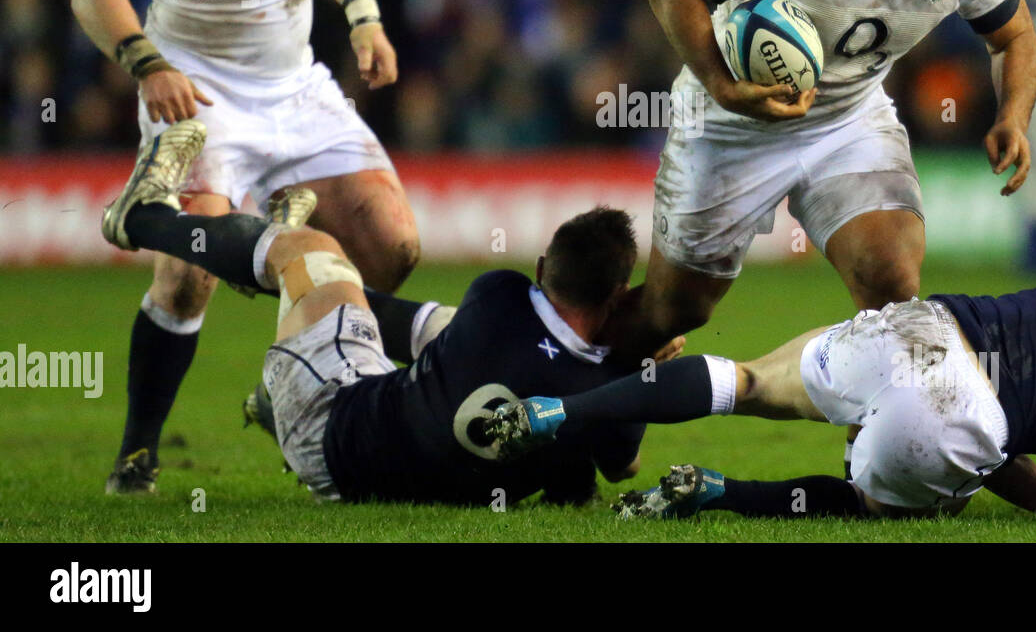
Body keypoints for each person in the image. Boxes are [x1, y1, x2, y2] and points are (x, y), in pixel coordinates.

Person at [71, 0, 420, 493]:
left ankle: (284, 383)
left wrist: (362, 14)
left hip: (295, 84)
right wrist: (146, 61)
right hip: (202, 98)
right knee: (187, 272)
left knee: (390, 247)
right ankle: (137, 452)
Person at [630, 0, 1036, 359]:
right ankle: (572, 356)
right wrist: (724, 85)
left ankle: (871, 443)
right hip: (730, 121)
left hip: (847, 120)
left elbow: (1014, 35)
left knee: (892, 279)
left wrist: (1013, 116)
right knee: (676, 311)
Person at [100, 120, 661, 506]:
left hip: (329, 418)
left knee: (314, 258)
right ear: (617, 295)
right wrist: (631, 358)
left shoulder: (501, 296)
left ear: (543, 268)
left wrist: (311, 279)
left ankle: (143, 217)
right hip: (371, 463)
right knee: (399, 315)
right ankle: (270, 260)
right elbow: (621, 466)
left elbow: (399, 323)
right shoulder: (608, 389)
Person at [487, 279, 1036, 522]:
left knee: (749, 380)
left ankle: (561, 410)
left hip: (928, 326)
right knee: (895, 505)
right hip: (964, 412)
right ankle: (721, 494)